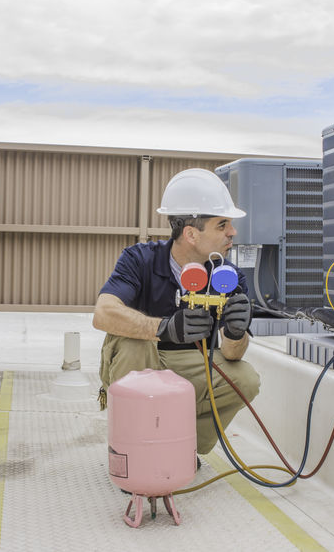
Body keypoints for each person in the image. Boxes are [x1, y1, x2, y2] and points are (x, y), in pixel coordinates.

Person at [93, 168, 260, 456]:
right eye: (222, 225)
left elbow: (232, 354)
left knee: (245, 378)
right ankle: (133, 453)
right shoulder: (139, 260)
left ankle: (181, 452)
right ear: (191, 234)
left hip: (189, 363)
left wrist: (235, 332)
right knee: (134, 346)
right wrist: (164, 328)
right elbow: (103, 313)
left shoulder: (227, 276)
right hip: (141, 359)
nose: (232, 232)